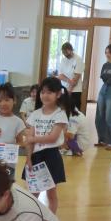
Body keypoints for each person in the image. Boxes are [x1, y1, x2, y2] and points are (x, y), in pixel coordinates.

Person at [23, 77, 70, 213]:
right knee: (33, 192)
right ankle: (33, 217)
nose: (45, 95)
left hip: (51, 156)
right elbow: (29, 141)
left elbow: (52, 138)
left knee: (51, 193)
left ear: (58, 94)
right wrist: (28, 158)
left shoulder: (60, 114)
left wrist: (32, 139)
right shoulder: (35, 114)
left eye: (49, 92)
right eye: (43, 92)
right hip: (36, 156)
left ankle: (51, 219)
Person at [57, 42, 83, 112]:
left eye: (66, 52)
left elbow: (76, 78)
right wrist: (69, 81)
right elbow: (60, 75)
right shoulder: (63, 60)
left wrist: (69, 90)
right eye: (63, 53)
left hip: (75, 91)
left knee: (74, 112)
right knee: (63, 111)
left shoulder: (78, 59)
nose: (65, 55)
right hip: (64, 89)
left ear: (71, 50)